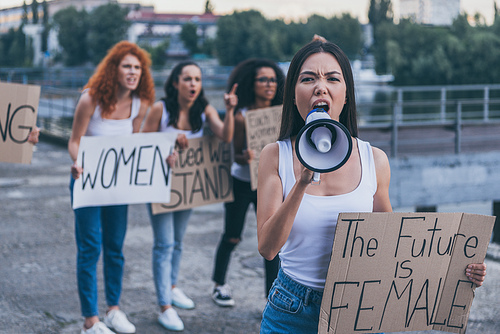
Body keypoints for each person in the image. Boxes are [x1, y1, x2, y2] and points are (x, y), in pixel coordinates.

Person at [256, 39, 488, 333]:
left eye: (332, 78)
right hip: (291, 308)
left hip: (360, 308)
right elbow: (267, 248)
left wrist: (460, 271)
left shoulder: (374, 160)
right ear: (292, 96)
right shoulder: (274, 156)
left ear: (346, 95)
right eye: (308, 78)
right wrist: (302, 183)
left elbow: (398, 249)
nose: (320, 87)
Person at [141, 60, 237, 331]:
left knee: (178, 241)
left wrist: (229, 110)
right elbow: (141, 146)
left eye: (197, 79)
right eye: (187, 79)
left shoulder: (203, 109)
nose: (193, 84)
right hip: (159, 184)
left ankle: (171, 287)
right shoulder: (160, 109)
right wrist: (168, 148)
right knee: (164, 244)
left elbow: (225, 136)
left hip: (185, 187)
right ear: (175, 83)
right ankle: (164, 307)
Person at [68, 41, 155, 334]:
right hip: (87, 181)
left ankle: (114, 310)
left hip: (118, 185)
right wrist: (77, 162)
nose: (133, 72)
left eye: (137, 67)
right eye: (127, 66)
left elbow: (135, 145)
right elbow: (74, 140)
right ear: (113, 69)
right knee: (90, 246)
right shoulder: (90, 99)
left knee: (116, 247)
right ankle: (90, 320)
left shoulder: (140, 104)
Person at [211, 58, 285, 307]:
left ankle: (271, 297)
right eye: (263, 79)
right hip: (242, 182)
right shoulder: (242, 116)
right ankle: (219, 284)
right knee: (232, 235)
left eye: (273, 79)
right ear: (252, 84)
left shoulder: (283, 114)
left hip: (269, 185)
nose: (269, 84)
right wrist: (248, 157)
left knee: (271, 240)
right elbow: (235, 155)